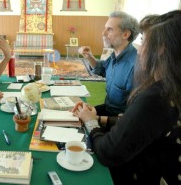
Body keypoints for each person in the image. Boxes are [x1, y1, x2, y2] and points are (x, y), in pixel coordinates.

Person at [73, 10, 181, 185]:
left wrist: (92, 121)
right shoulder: (170, 87)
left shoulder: (152, 91)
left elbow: (111, 150)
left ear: (160, 50)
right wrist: (95, 116)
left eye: (144, 42)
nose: (141, 50)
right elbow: (138, 122)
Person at [79, 11, 139, 116]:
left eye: (109, 29)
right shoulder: (114, 56)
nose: (103, 33)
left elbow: (135, 117)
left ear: (125, 34)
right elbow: (100, 69)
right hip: (108, 109)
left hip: (119, 121)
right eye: (105, 28)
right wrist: (89, 56)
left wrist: (96, 119)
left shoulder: (136, 66)